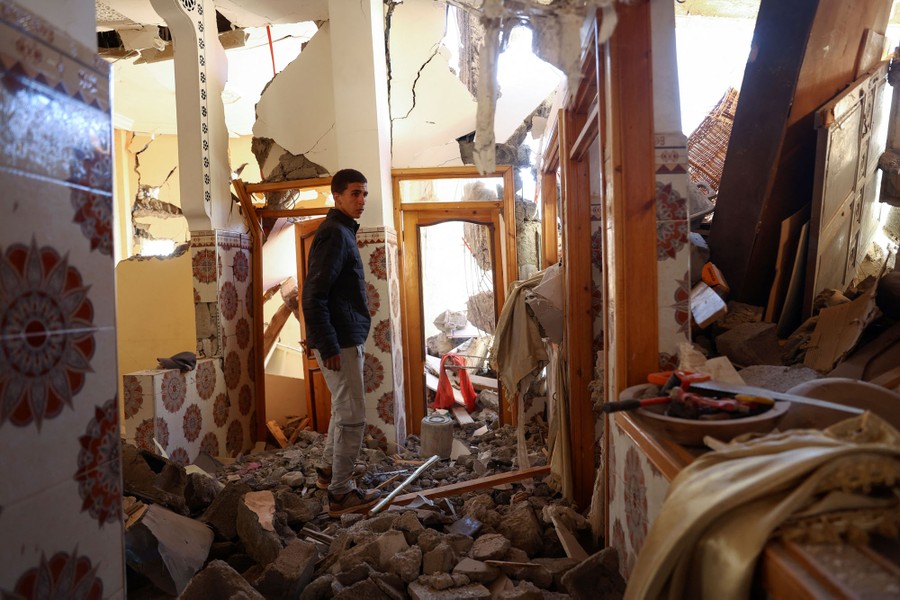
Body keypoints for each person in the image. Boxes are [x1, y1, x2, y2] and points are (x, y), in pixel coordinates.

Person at [301, 168, 382, 515]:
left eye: (364, 193)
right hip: (340, 341)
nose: (361, 200)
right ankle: (340, 493)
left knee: (342, 407)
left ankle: (328, 471)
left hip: (343, 337)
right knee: (353, 415)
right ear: (336, 196)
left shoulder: (341, 231)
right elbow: (313, 296)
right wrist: (330, 345)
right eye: (354, 193)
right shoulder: (334, 233)